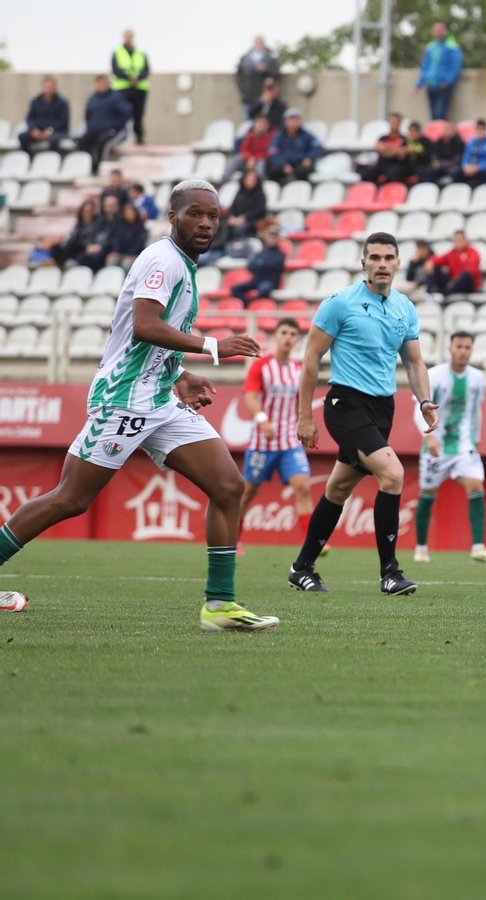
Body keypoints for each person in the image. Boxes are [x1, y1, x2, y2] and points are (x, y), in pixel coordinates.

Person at [0, 180, 277, 629]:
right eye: (195, 213)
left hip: (159, 397)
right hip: (125, 397)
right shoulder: (162, 259)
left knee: (229, 487)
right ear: (172, 216)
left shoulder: (182, 265)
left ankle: (220, 606)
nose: (205, 222)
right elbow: (145, 325)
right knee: (70, 499)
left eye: (213, 215)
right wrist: (212, 346)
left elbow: (148, 339)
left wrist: (180, 375)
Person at [290, 231, 435, 596]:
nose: (382, 264)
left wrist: (425, 400)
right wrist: (304, 416)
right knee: (393, 474)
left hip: (382, 408)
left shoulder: (404, 306)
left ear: (399, 263)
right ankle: (390, 573)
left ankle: (301, 567)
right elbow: (311, 359)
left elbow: (414, 361)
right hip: (345, 404)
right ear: (363, 263)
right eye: (375, 257)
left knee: (338, 489)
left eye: (389, 257)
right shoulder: (340, 304)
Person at [411, 332, 486, 564]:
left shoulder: (477, 378)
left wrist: (477, 440)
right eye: (459, 346)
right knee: (428, 493)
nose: (463, 351)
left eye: (467, 347)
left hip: (464, 445)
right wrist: (429, 437)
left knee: (476, 485)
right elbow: (419, 409)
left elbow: (476, 410)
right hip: (437, 444)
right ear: (450, 348)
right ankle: (421, 547)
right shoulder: (434, 375)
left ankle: (478, 547)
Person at [239, 318, 314, 552]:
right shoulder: (261, 365)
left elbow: (303, 403)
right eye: (284, 332)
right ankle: (233, 538)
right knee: (249, 491)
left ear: (297, 340)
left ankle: (311, 544)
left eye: (293, 334)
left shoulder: (299, 370)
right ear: (275, 337)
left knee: (302, 486)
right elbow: (250, 397)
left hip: (290, 441)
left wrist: (308, 423)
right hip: (263, 442)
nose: (288, 337)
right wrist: (262, 420)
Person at [78, 75, 133, 174]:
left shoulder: (116, 97)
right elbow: (88, 115)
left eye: (103, 83)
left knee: (103, 142)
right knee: (82, 141)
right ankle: (90, 164)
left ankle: (100, 167)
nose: (101, 86)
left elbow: (127, 113)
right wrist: (91, 126)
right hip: (95, 130)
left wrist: (115, 125)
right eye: (99, 83)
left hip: (112, 130)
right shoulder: (92, 98)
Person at [415, 22, 463, 121]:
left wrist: (448, 81)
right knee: (433, 116)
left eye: (440, 30)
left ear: (445, 31)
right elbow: (425, 67)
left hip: (443, 86)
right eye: (436, 30)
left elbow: (456, 67)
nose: (438, 33)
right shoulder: (430, 47)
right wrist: (418, 85)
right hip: (431, 85)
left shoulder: (452, 47)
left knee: (440, 114)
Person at [111, 30, 150, 144]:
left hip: (139, 88)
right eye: (126, 36)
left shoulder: (141, 51)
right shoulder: (117, 51)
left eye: (130, 36)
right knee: (123, 114)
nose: (128, 38)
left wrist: (138, 78)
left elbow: (146, 69)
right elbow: (115, 69)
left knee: (138, 115)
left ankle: (139, 138)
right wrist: (129, 79)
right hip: (122, 88)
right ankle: (121, 138)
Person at [267, 111, 323, 183]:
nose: (293, 122)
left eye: (295, 120)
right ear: (285, 122)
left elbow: (318, 146)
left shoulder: (306, 135)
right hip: (285, 164)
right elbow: (273, 151)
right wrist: (284, 164)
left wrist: (309, 158)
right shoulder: (279, 136)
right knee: (272, 170)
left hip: (300, 163)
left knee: (303, 171)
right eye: (290, 120)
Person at [235, 37, 280, 122]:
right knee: (248, 121)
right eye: (257, 42)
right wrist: (243, 89)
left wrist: (266, 70)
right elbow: (239, 76)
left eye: (261, 43)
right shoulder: (245, 58)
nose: (259, 45)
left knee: (265, 121)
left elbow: (276, 73)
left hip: (264, 96)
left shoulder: (270, 58)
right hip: (248, 95)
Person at [24, 77, 69, 156]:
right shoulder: (35, 101)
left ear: (55, 88)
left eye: (50, 87)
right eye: (46, 87)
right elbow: (29, 118)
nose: (48, 89)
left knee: (54, 139)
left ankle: (51, 161)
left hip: (56, 131)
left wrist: (50, 130)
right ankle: (29, 159)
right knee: (23, 136)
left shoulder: (62, 103)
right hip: (38, 131)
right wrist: (34, 129)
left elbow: (63, 121)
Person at [426, 231, 481, 296]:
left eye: (460, 239)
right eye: (456, 240)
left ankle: (444, 295)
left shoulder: (472, 252)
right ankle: (429, 293)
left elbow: (471, 270)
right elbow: (439, 259)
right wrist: (430, 262)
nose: (458, 242)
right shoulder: (452, 253)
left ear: (465, 240)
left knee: (466, 275)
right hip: (454, 283)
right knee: (435, 268)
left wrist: (456, 280)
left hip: (467, 286)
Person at [363, 112, 412, 185]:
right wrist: (397, 151)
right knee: (366, 174)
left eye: (396, 122)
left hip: (397, 166)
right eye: (392, 122)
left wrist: (386, 150)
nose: (394, 124)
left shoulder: (405, 139)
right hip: (382, 165)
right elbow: (377, 148)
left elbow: (407, 151)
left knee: (395, 173)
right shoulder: (383, 138)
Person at [226, 115, 276, 183]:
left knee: (261, 163)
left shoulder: (273, 136)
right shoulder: (250, 136)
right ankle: (222, 183)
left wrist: (255, 158)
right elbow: (244, 149)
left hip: (265, 161)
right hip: (249, 161)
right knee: (236, 159)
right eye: (258, 123)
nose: (260, 125)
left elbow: (270, 152)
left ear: (267, 125)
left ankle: (258, 184)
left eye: (263, 123)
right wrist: (250, 158)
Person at [459, 119, 486, 187]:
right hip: (475, 168)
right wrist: (466, 166)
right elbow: (466, 157)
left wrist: (479, 167)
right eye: (478, 129)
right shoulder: (472, 142)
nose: (480, 131)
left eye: (482, 129)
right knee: (458, 174)